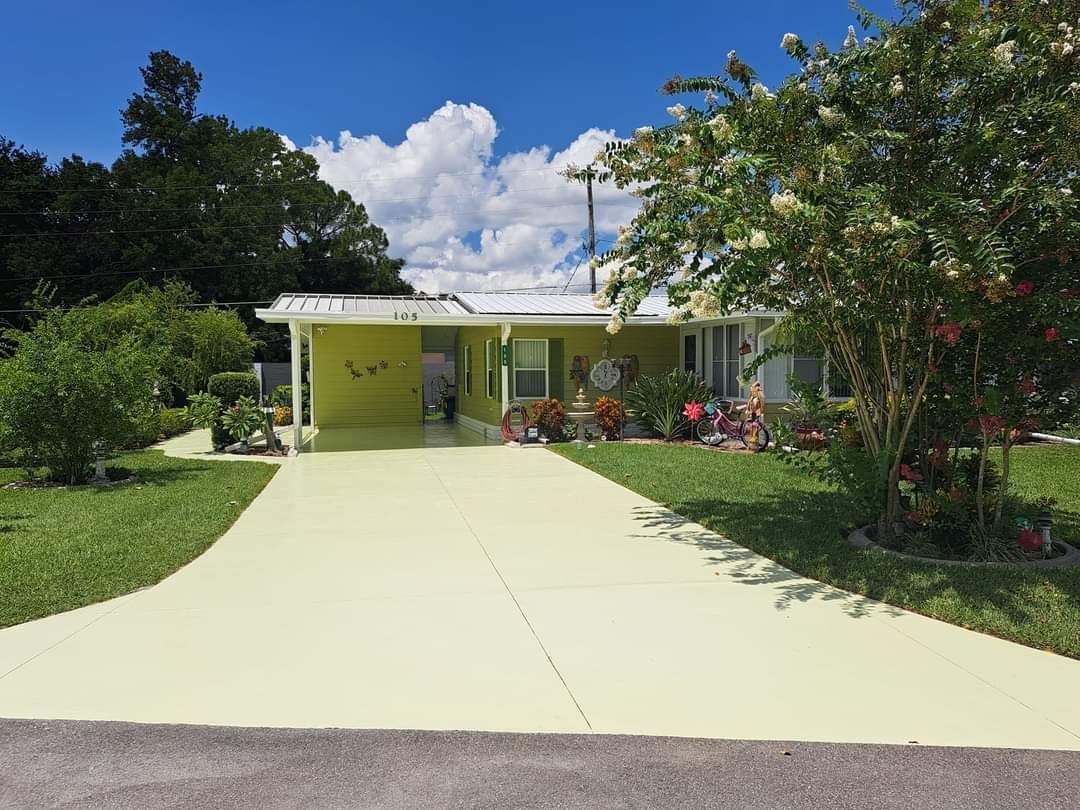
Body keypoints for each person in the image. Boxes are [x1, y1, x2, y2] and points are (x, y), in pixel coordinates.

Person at [737, 381, 766, 445]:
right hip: (752, 413)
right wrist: (747, 410)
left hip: (757, 413)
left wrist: (761, 412)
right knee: (752, 427)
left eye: (752, 388)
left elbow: (762, 404)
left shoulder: (760, 396)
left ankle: (755, 442)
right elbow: (749, 403)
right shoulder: (752, 396)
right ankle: (752, 442)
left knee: (755, 426)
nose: (751, 390)